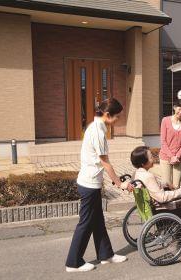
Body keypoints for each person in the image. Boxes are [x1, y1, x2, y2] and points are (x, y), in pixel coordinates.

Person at [65, 98, 130, 272]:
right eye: (116, 117)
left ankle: (106, 255)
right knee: (86, 223)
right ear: (107, 114)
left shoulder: (95, 127)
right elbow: (105, 163)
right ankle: (73, 262)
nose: (117, 120)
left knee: (97, 221)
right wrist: (119, 184)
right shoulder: (98, 132)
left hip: (90, 182)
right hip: (89, 184)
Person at [159, 100, 181, 189]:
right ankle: (166, 203)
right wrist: (171, 156)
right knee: (166, 185)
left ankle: (175, 203)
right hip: (165, 157)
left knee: (176, 186)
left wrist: (177, 156)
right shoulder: (165, 120)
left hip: (179, 158)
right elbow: (163, 141)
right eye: (179, 109)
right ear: (174, 108)